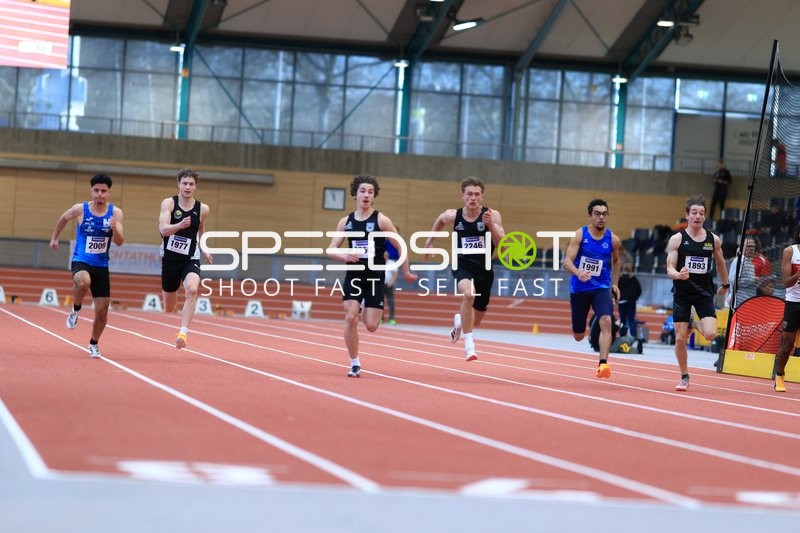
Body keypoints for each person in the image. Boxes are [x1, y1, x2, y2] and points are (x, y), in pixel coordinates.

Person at [327, 174, 416, 378]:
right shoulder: (345, 222)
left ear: (374, 196)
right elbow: (331, 249)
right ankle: (354, 363)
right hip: (354, 276)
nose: (366, 195)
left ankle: (367, 306)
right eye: (362, 191)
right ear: (355, 194)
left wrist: (406, 272)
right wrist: (344, 255)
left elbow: (401, 246)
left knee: (371, 326)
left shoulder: (381, 220)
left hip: (375, 277)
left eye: (370, 191)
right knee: (351, 318)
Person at [424, 177, 506, 362]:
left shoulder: (492, 215)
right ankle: (469, 347)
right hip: (462, 265)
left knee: (475, 321)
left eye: (477, 194)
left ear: (482, 197)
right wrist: (430, 240)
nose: (473, 198)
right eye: (469, 194)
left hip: (485, 269)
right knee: (468, 295)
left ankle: (460, 321)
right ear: (462, 196)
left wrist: (490, 226)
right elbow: (440, 219)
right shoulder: (455, 215)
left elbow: (502, 246)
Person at [49, 173, 125, 358]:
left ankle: (94, 343)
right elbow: (64, 218)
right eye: (96, 190)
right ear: (91, 191)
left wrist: (115, 229)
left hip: (101, 265)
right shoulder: (80, 209)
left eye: (103, 191)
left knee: (102, 311)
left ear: (109, 192)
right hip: (81, 259)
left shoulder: (115, 213)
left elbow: (120, 241)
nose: (100, 194)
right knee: (83, 281)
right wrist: (55, 237)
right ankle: (75, 309)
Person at [665, 195, 729, 391]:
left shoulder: (713, 239)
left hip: (703, 292)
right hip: (683, 292)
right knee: (680, 338)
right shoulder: (677, 239)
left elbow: (720, 262)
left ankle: (692, 322)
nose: (698, 216)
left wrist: (725, 284)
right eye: (694, 213)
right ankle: (684, 376)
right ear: (687, 215)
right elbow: (669, 268)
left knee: (710, 334)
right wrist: (678, 274)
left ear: (704, 217)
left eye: (701, 213)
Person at [562, 199, 622, 378]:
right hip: (580, 289)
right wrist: (578, 272)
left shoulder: (613, 239)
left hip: (601, 288)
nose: (601, 217)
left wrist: (615, 283)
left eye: (604, 214)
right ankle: (584, 328)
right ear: (590, 216)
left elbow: (617, 261)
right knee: (578, 335)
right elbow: (566, 262)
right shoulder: (580, 235)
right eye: (597, 214)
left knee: (606, 320)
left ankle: (603, 364)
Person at [158, 168, 213, 349]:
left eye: (191, 184)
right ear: (178, 184)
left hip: (190, 257)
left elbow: (201, 228)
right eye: (185, 183)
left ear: (196, 186)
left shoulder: (202, 209)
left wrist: (205, 249)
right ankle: (173, 308)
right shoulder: (169, 204)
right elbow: (163, 230)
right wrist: (180, 225)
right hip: (170, 259)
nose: (188, 187)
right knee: (169, 307)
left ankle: (183, 332)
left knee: (192, 289)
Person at [773, 229, 800, 392]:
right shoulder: (791, 251)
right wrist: (798, 274)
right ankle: (779, 374)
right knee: (788, 344)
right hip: (794, 303)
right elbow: (785, 283)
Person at [727, 236, 759, 309]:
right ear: (742, 247)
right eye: (748, 246)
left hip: (748, 303)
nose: (751, 248)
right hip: (739, 304)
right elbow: (733, 281)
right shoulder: (738, 261)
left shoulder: (749, 262)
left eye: (753, 246)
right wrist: (753, 280)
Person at [617, 261, 642, 338]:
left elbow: (616, 289)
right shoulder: (634, 279)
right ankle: (633, 335)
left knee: (622, 319)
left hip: (622, 301)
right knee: (631, 319)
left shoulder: (619, 279)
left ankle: (622, 335)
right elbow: (639, 290)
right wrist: (635, 297)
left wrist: (617, 298)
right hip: (631, 301)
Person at [383, 232, 400, 325]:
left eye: (386, 255)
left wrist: (391, 282)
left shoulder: (391, 263)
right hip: (380, 285)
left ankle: (391, 319)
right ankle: (380, 319)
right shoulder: (379, 263)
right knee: (379, 302)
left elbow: (395, 273)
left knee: (390, 302)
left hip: (389, 285)